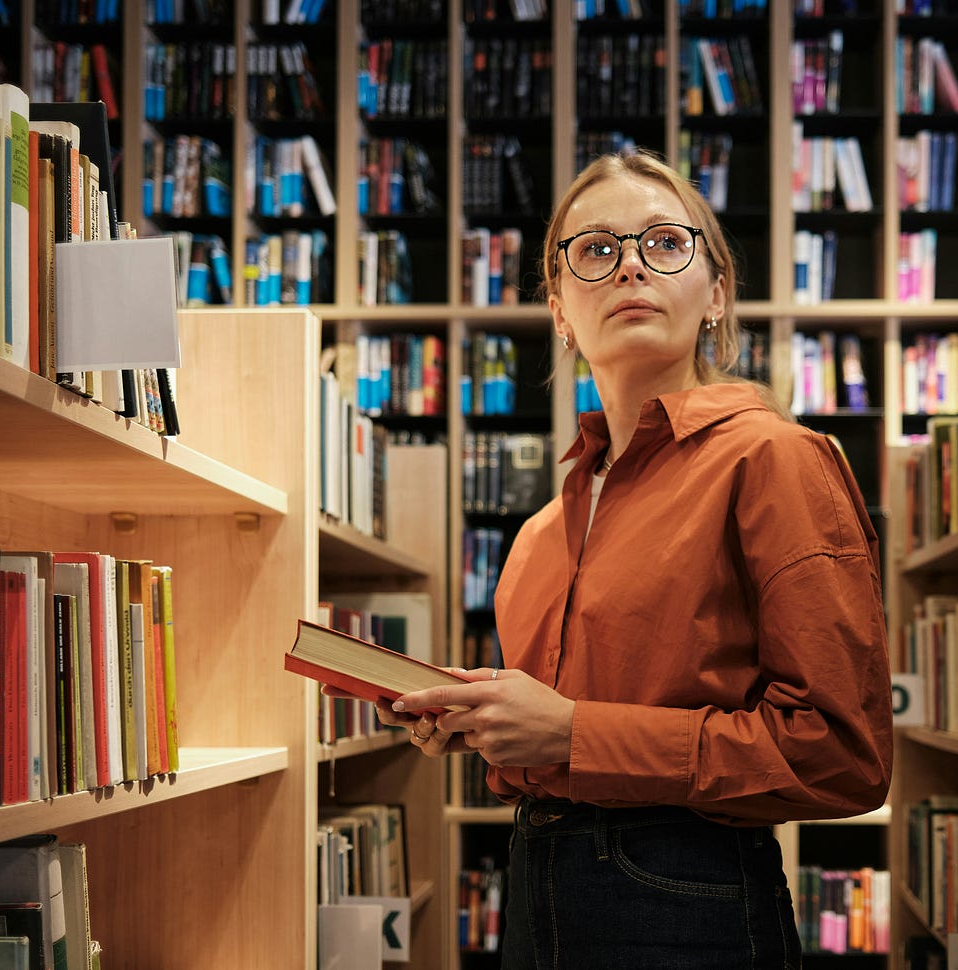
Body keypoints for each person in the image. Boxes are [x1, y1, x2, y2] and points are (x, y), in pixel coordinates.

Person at [331, 149, 893, 968]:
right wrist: (489, 730)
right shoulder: (537, 536)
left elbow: (844, 757)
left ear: (718, 293)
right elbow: (566, 739)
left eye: (665, 243)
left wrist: (570, 732)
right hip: (536, 883)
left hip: (685, 893)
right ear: (560, 310)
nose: (630, 263)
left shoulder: (775, 459)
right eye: (596, 250)